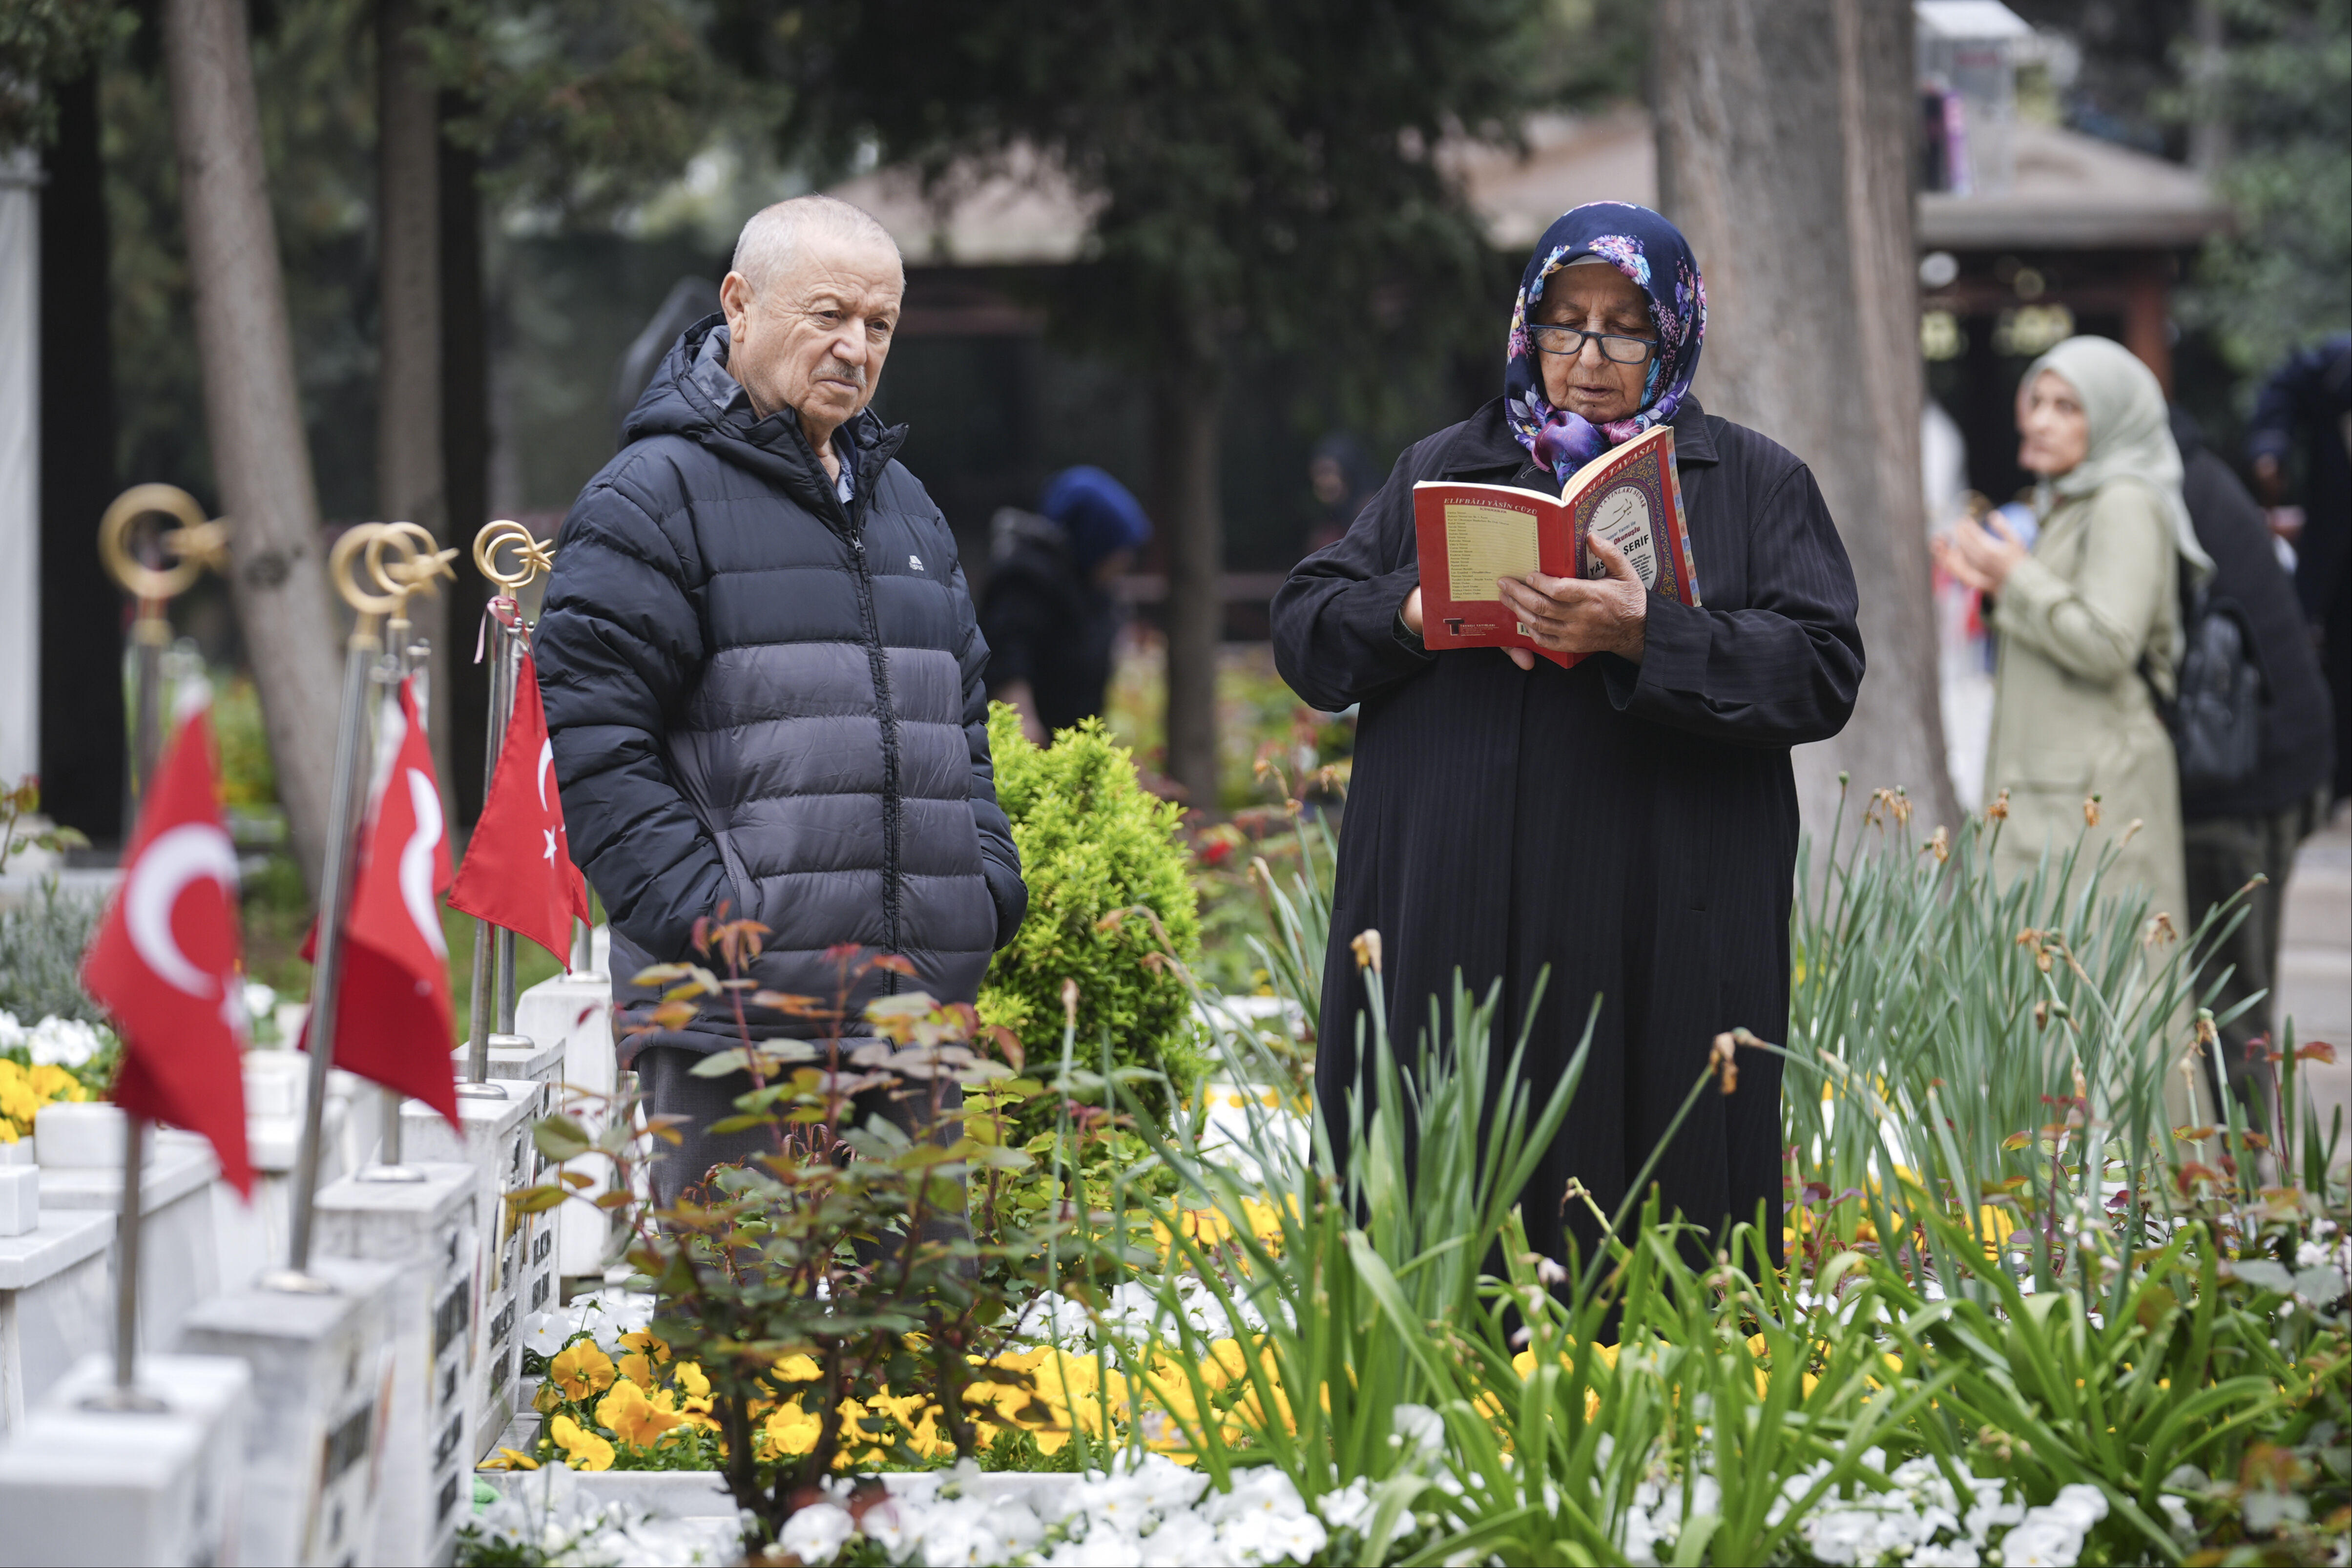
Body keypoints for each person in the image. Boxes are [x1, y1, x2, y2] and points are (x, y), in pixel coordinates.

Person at [1271, 204, 1863, 1271]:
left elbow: (1819, 671)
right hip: (1462, 905)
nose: (1588, 359)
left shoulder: (1750, 483)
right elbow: (1307, 632)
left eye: (1624, 329)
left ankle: (1662, 1401)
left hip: (1663, 905)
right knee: (1458, 1183)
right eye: (1563, 324)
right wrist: (1414, 611)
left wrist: (1648, 635)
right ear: (1524, 327)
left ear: (1674, 333)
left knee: (1661, 1190)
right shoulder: (1443, 466)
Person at [535, 195, 1027, 1206]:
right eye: (828, 315)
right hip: (734, 1025)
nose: (855, 347)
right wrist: (718, 923)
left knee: (924, 1334)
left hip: (915, 1016)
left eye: (879, 325)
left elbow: (962, 715)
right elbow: (597, 750)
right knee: (742, 1335)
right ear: (739, 305)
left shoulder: (907, 506)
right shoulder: (647, 499)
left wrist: (983, 889)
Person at [1934, 337, 2214, 1125]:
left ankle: (2138, 1213)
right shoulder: (2069, 500)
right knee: (2055, 1005)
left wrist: (2009, 575)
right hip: (2055, 793)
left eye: (2068, 406)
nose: (2041, 420)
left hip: (2100, 793)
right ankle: (2068, 1219)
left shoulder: (2126, 499)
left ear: (2115, 419)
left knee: (2116, 1001)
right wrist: (2005, 576)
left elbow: (2107, 640)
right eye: (2037, 400)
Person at [2172, 405, 2335, 1122]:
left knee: (2229, 1000)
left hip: (2242, 786)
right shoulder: (2198, 475)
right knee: (2237, 995)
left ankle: (2244, 1191)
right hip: (2281, 760)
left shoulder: (2164, 491)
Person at [2247, 335, 2351, 804]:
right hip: (2337, 545)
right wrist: (2272, 448)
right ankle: (2335, 783)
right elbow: (2281, 393)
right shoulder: (2335, 368)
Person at [979, 465, 1152, 745]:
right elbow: (1007, 656)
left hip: (1070, 743)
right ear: (1095, 538)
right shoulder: (1027, 577)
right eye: (1119, 548)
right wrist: (1023, 724)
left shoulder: (1091, 586)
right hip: (1033, 743)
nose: (1126, 560)